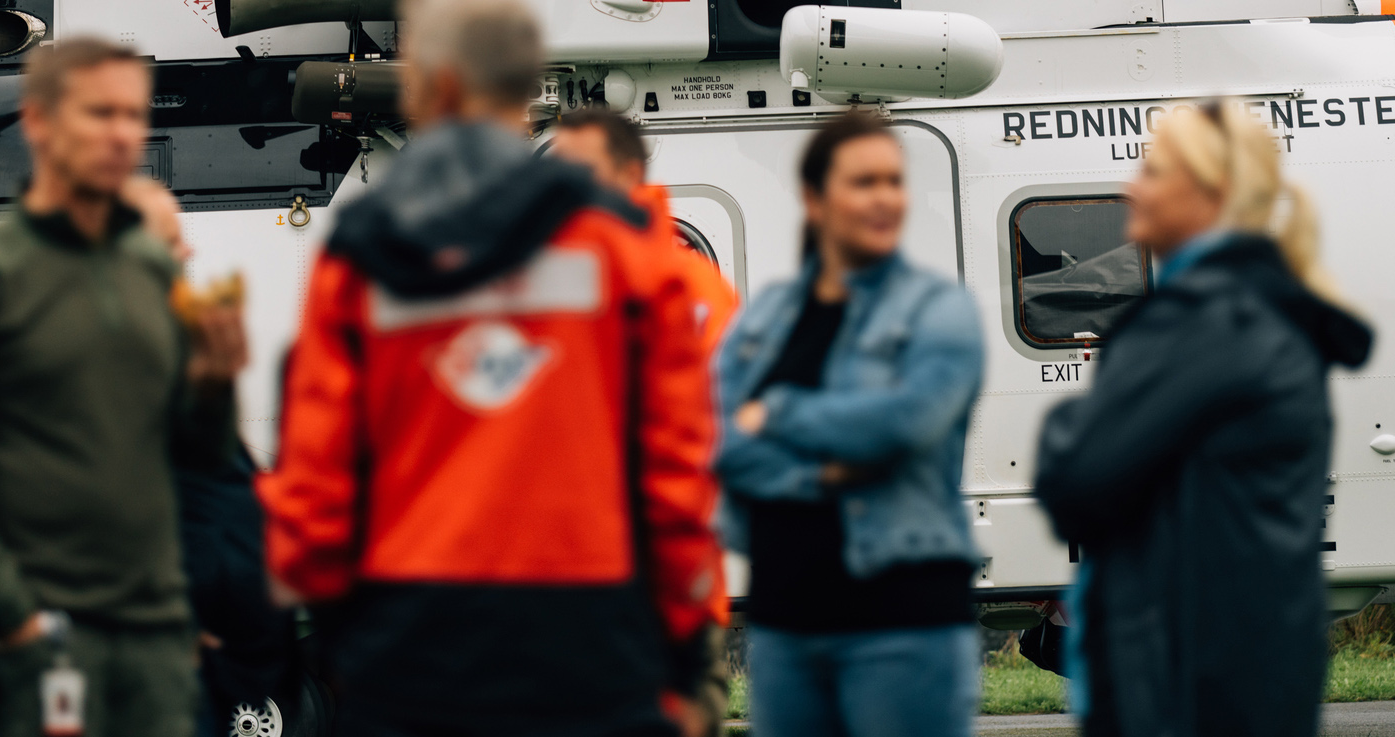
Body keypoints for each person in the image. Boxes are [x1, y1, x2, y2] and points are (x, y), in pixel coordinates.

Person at [258, 0, 722, 737]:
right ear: (526, 85)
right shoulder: (619, 244)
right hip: (592, 643)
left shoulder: (362, 250)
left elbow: (316, 482)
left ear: (429, 83)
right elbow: (675, 464)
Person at [0, 37, 247, 737]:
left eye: (132, 115)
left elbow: (194, 459)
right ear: (40, 123)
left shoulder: (152, 270)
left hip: (154, 644)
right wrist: (13, 616)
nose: (122, 133)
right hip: (41, 642)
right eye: (99, 113)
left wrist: (213, 389)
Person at [1035, 101, 1372, 737]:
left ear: (1211, 193)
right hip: (1235, 653)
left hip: (1188, 665)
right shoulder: (1252, 309)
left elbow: (1078, 478)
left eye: (1154, 171)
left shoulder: (1204, 322)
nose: (1132, 186)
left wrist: (1072, 422)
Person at [713, 108, 984, 737]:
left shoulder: (938, 311)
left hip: (902, 621)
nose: (886, 197)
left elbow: (903, 423)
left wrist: (777, 413)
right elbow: (724, 441)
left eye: (894, 180)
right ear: (815, 198)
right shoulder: (766, 320)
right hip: (784, 623)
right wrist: (828, 474)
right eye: (864, 182)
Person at [551, 106, 740, 349]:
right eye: (557, 173)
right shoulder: (542, 282)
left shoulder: (697, 289)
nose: (562, 186)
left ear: (630, 174)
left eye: (581, 172)